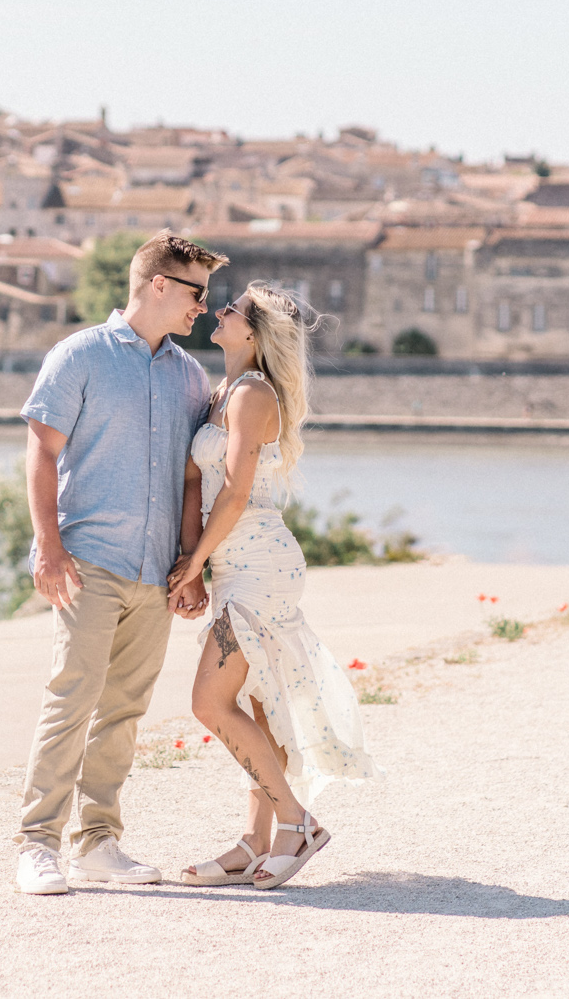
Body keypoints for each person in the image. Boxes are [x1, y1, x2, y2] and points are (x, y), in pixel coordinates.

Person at [12, 230, 228, 896]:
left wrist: (192, 565)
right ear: (158, 284)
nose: (204, 308)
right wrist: (48, 546)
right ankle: (36, 844)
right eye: (196, 292)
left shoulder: (190, 376)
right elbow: (41, 451)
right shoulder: (79, 355)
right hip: (89, 560)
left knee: (124, 710)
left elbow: (194, 480)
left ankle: (99, 841)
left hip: (154, 571)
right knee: (71, 699)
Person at [168, 282, 382, 890]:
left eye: (231, 309)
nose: (218, 311)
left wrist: (194, 565)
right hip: (232, 563)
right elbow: (193, 486)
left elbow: (234, 492)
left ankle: (298, 822)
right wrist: (194, 559)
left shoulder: (255, 394)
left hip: (260, 565)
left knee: (209, 703)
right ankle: (255, 842)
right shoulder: (219, 394)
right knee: (260, 707)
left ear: (256, 332)